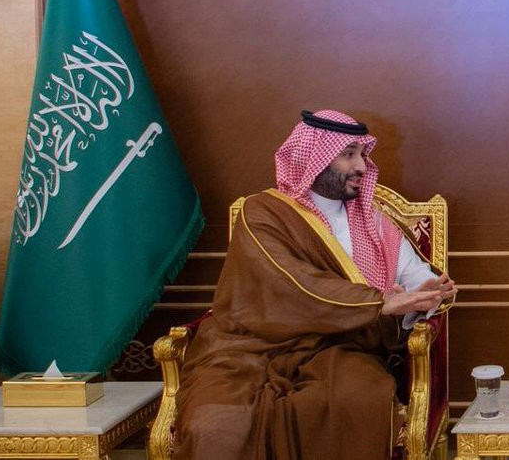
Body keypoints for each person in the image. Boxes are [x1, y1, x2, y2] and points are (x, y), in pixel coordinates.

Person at [174, 109, 456, 460]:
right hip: (251, 347)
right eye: (348, 155)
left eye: (362, 155)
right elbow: (293, 282)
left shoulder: (374, 223)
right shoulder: (261, 213)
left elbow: (415, 279)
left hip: (341, 347)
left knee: (357, 400)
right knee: (214, 424)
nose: (361, 166)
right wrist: (378, 302)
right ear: (314, 158)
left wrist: (429, 292)